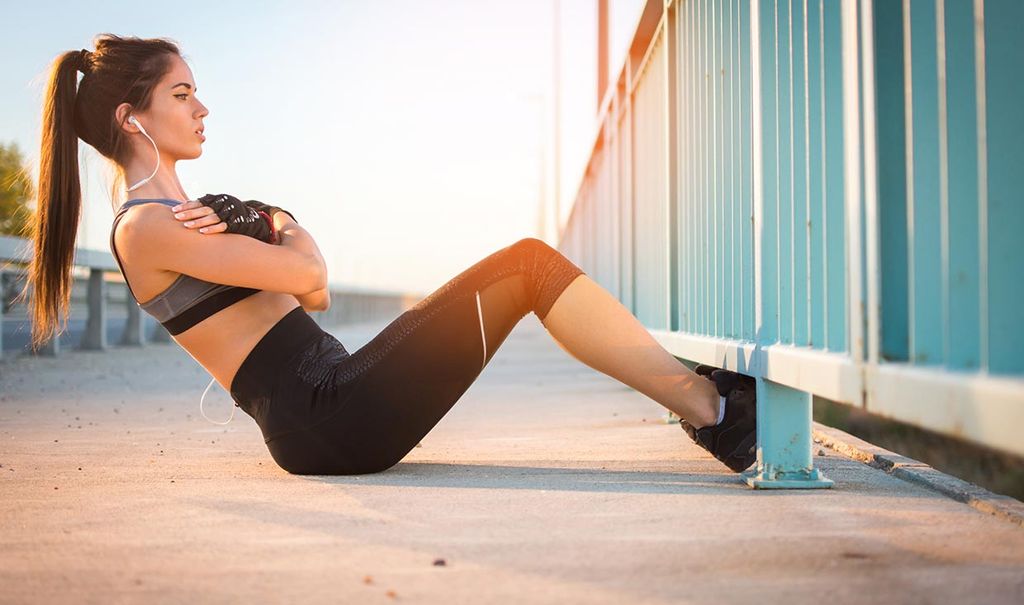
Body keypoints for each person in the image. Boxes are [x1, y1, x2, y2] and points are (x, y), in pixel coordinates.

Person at [25, 34, 757, 475]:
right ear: (132, 117)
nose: (202, 108)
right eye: (182, 95)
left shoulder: (193, 217)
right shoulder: (144, 228)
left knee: (528, 265)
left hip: (334, 399)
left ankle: (710, 405)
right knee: (529, 264)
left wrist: (272, 221)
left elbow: (314, 299)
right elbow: (311, 272)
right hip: (325, 417)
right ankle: (714, 410)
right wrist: (286, 222)